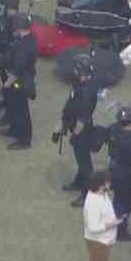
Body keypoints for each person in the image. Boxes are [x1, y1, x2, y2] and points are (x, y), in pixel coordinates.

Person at [55, 54, 101, 207]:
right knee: (80, 159)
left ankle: (87, 193)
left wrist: (76, 133)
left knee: (85, 163)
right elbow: (71, 103)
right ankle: (79, 181)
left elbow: (83, 117)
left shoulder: (88, 91)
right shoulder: (79, 83)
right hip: (73, 122)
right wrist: (63, 126)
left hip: (82, 129)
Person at [107, 106, 131, 241]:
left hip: (114, 172)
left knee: (118, 200)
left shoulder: (113, 130)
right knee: (125, 205)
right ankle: (120, 231)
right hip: (128, 178)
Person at [83, 170, 119, 261]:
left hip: (105, 240)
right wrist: (110, 225)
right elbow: (93, 227)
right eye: (107, 181)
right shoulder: (92, 202)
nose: (110, 183)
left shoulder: (102, 195)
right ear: (101, 185)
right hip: (98, 242)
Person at [1, 13, 37, 150]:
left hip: (21, 83)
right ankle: (14, 129)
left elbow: (18, 69)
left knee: (21, 111)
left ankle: (24, 139)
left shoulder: (25, 46)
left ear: (20, 27)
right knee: (13, 107)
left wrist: (7, 83)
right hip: (18, 80)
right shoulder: (25, 38)